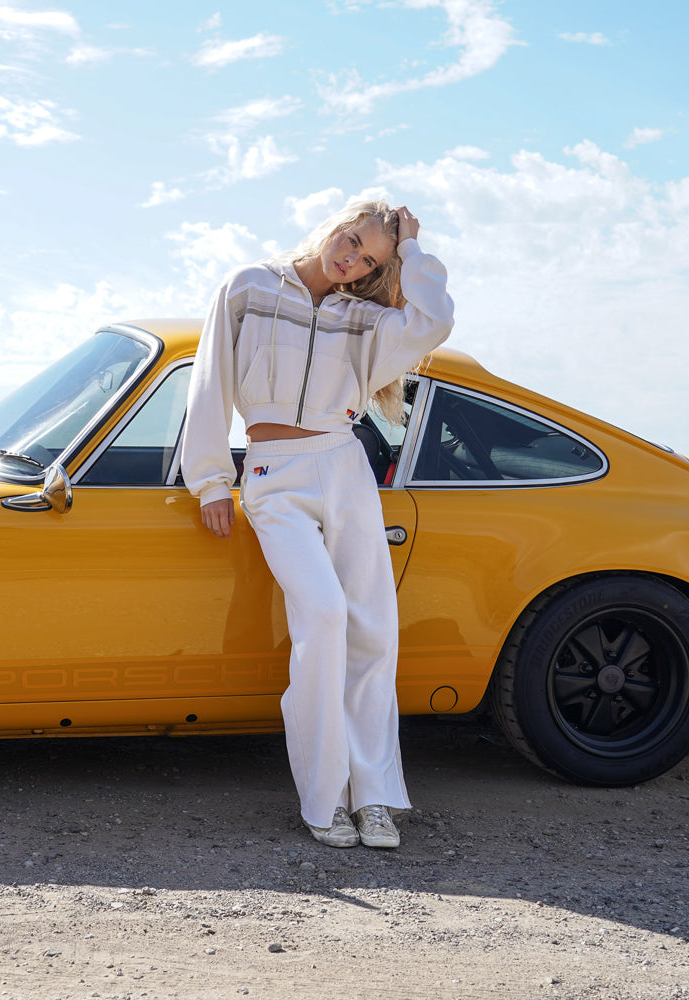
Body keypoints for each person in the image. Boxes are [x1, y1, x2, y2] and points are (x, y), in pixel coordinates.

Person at [179, 200, 455, 849]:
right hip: (275, 475)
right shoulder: (247, 287)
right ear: (336, 222)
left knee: (372, 632)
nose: (350, 259)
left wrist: (410, 250)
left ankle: (374, 797)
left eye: (368, 259)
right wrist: (212, 479)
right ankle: (323, 796)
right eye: (353, 240)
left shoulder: (364, 319)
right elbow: (210, 381)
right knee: (326, 618)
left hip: (343, 464)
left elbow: (434, 321)